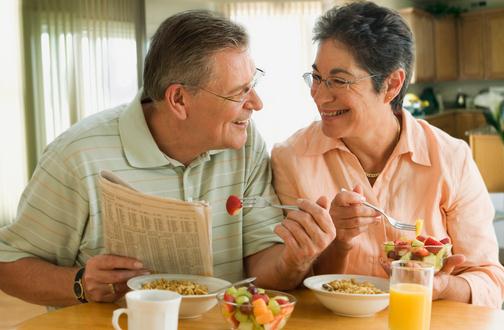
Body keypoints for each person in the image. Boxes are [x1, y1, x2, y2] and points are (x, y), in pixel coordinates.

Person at [0, 10, 334, 307]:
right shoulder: (78, 156)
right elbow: (7, 264)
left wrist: (295, 257)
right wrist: (79, 283)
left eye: (253, 84)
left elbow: (262, 266)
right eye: (239, 92)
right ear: (178, 99)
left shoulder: (245, 145)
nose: (257, 104)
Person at [271, 1, 504, 308]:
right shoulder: (291, 158)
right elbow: (293, 289)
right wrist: (339, 241)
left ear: (392, 84)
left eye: (338, 81)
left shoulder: (452, 159)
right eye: (316, 77)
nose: (319, 95)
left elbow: (491, 284)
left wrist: (441, 286)